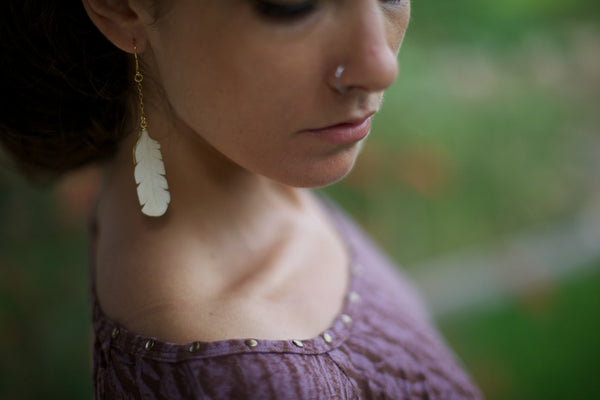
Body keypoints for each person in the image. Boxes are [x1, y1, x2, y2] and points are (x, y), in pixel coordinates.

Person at [1, 1, 482, 398]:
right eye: (294, 5)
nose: (381, 66)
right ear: (123, 9)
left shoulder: (257, 169)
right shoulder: (236, 376)